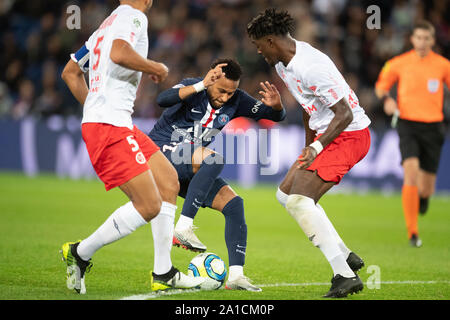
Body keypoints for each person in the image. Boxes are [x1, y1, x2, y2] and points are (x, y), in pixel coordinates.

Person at [60, 0, 203, 294]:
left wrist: (96, 108)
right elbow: (119, 53)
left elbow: (70, 72)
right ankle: (80, 252)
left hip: (116, 122)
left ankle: (163, 273)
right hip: (109, 127)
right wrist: (157, 67)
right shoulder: (135, 17)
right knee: (149, 205)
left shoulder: (104, 26)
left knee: (168, 181)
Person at [247, 8, 371, 298]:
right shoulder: (282, 65)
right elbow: (307, 106)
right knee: (284, 195)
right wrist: (309, 144)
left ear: (270, 41)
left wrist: (317, 146)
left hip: (349, 136)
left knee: (300, 201)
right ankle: (346, 255)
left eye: (258, 46)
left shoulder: (311, 65)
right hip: (327, 136)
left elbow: (345, 114)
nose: (258, 52)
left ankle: (344, 275)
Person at [148, 58, 286, 291]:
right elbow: (162, 100)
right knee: (213, 159)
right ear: (211, 78)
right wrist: (201, 85)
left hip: (189, 164)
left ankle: (236, 276)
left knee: (234, 204)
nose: (225, 97)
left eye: (230, 93)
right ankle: (183, 227)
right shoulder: (193, 86)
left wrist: (277, 107)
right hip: (161, 152)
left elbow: (275, 116)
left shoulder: (238, 100)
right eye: (221, 90)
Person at [375, 20, 450, 248]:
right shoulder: (398, 63)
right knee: (411, 171)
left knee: (426, 186)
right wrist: (387, 100)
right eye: (418, 37)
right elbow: (381, 86)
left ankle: (424, 198)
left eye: (427, 38)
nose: (422, 42)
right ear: (412, 39)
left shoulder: (443, 65)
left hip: (434, 127)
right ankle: (413, 233)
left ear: (432, 40)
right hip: (407, 123)